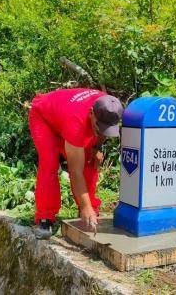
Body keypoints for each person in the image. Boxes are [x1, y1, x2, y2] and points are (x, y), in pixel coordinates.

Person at [28, 88, 124, 238]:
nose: (102, 130)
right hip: (44, 118)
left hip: (66, 116)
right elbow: (75, 171)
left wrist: (96, 147)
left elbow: (103, 130)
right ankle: (45, 219)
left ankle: (89, 211)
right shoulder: (77, 122)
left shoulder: (109, 106)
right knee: (50, 163)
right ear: (91, 113)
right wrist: (85, 206)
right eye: (99, 125)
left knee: (90, 160)